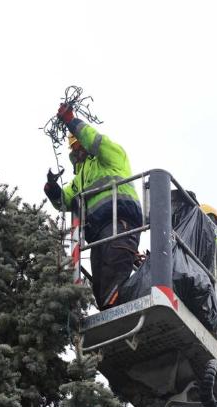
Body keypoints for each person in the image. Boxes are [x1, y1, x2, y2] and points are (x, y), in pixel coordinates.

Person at [44, 104, 142, 309]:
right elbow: (64, 201)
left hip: (119, 221)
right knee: (100, 285)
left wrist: (71, 121)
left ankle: (124, 310)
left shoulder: (110, 155)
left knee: (114, 275)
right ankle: (112, 316)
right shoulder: (79, 179)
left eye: (79, 147)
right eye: (75, 149)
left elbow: (95, 140)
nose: (77, 151)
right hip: (97, 234)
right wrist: (52, 188)